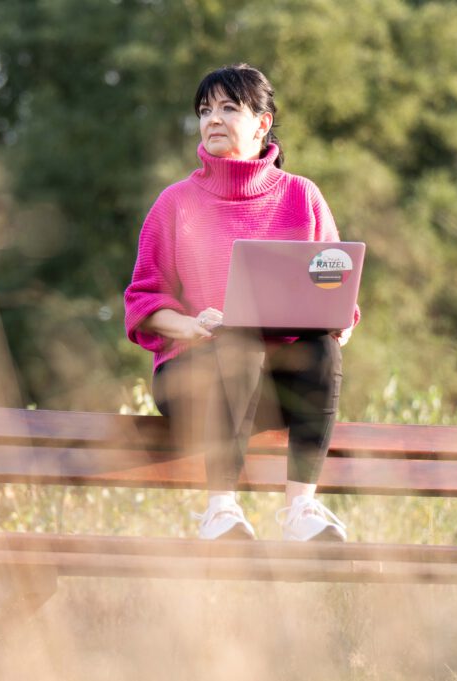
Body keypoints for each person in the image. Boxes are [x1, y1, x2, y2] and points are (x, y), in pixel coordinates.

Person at [123, 63, 358, 541]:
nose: (213, 119)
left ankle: (302, 510)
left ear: (263, 123)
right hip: (195, 382)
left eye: (229, 107)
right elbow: (143, 301)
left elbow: (340, 300)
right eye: (205, 110)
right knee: (240, 337)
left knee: (321, 349)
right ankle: (221, 510)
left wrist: (339, 323)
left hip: (277, 389)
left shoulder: (303, 197)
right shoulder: (175, 204)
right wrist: (192, 327)